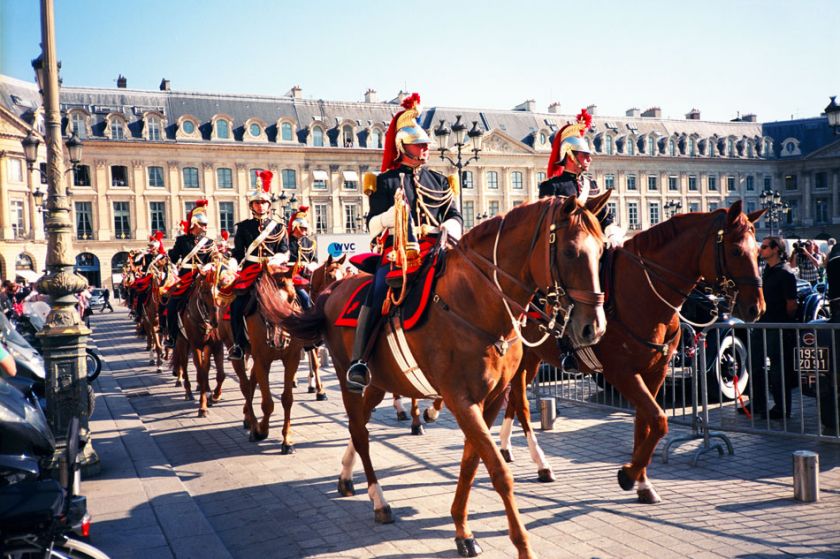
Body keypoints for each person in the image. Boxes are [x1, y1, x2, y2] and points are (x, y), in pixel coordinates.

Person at [345, 92, 462, 393]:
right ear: (402, 146)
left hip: (437, 249)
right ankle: (359, 361)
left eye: (426, 145)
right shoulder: (384, 182)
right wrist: (389, 216)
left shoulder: (439, 181)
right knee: (378, 289)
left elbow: (455, 215)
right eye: (418, 145)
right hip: (399, 253)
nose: (425, 149)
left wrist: (448, 228)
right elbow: (371, 225)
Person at [227, 170, 290, 360]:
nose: (260, 206)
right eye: (257, 202)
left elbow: (285, 249)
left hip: (274, 270)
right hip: (251, 271)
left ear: (269, 205)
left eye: (263, 202)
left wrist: (276, 259)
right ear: (252, 205)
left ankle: (307, 337)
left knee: (300, 296)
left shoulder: (278, 227)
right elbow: (238, 252)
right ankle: (238, 344)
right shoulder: (244, 227)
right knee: (236, 305)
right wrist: (232, 264)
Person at [538, 107, 622, 245]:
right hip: (565, 248)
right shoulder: (551, 187)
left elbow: (604, 215)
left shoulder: (592, 185)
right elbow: (547, 225)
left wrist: (611, 232)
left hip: (593, 242)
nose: (590, 159)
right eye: (585, 156)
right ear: (571, 157)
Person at [741, 236, 798, 419]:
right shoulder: (766, 270)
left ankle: (782, 408)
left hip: (777, 325)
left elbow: (792, 304)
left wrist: (781, 320)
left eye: (764, 247)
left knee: (778, 369)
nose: (761, 249)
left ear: (775, 249)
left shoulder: (786, 272)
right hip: (762, 324)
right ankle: (757, 403)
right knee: (753, 364)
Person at [164, 202, 215, 348]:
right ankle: (173, 337)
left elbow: (215, 258)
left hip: (204, 277)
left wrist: (208, 266)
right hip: (186, 278)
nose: (205, 227)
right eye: (203, 225)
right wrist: (171, 254)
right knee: (172, 306)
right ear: (195, 224)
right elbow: (174, 258)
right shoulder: (182, 240)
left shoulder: (209, 242)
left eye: (206, 225)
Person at [288, 206, 317, 311]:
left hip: (306, 276)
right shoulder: (286, 241)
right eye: (303, 228)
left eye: (306, 228)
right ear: (296, 227)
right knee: (305, 299)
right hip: (290, 277)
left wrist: (312, 265)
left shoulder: (309, 242)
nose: (305, 230)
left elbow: (314, 259)